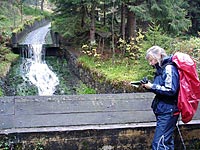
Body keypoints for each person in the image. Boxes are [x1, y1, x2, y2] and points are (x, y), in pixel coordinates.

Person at [142, 46, 180, 150]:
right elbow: (160, 89)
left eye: (151, 60)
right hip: (163, 110)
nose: (150, 63)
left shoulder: (169, 68)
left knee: (158, 144)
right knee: (166, 142)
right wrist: (148, 86)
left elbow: (171, 90)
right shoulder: (161, 69)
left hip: (169, 111)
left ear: (158, 56)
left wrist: (152, 86)